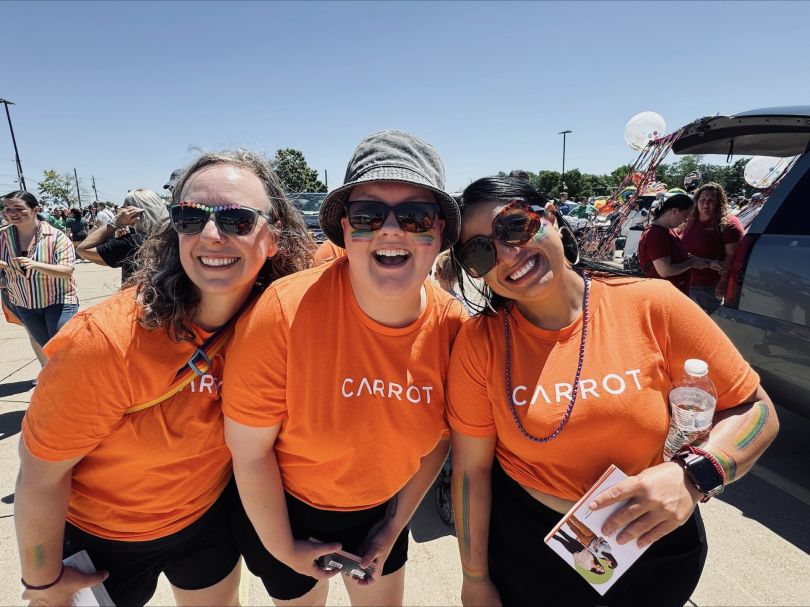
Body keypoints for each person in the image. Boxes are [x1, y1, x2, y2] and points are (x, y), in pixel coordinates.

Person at [446, 176, 779, 606]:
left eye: (514, 226)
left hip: (654, 547)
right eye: (479, 251)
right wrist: (474, 578)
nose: (508, 254)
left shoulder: (653, 305)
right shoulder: (480, 344)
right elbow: (472, 472)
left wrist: (694, 477)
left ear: (550, 217)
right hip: (531, 552)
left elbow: (756, 410)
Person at [14, 150, 315, 606]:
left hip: (204, 524)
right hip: (102, 538)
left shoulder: (275, 324)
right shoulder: (106, 340)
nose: (211, 235)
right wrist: (41, 581)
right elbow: (40, 473)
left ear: (274, 238)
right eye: (190, 218)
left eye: (237, 220)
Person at [222, 130, 466, 606]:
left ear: (439, 234)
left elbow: (440, 440)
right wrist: (283, 548)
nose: (390, 230)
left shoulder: (455, 327)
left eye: (415, 216)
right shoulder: (285, 311)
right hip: (284, 511)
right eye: (368, 215)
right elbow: (250, 454)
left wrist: (393, 528)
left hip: (382, 511)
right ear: (345, 231)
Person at [0, 191, 79, 351]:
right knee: (48, 349)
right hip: (24, 303)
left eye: (18, 208)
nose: (12, 213)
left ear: (36, 210)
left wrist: (34, 264)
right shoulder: (2, 237)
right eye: (8, 209)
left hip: (59, 300)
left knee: (61, 348)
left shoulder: (57, 237)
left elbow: (66, 271)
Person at [77, 188, 170, 284]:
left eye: (125, 208)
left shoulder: (132, 242)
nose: (122, 212)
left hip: (137, 296)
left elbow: (82, 250)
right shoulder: (172, 234)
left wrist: (114, 223)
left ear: (134, 212)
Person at [680, 183, 745, 314]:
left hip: (710, 288)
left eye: (711, 201)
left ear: (719, 203)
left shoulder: (729, 224)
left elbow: (733, 256)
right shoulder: (688, 220)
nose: (706, 204)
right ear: (696, 201)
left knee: (712, 326)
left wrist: (723, 281)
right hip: (685, 284)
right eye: (702, 200)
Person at [637, 192, 719, 295]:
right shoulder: (656, 234)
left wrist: (707, 262)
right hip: (662, 296)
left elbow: (678, 256)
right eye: (686, 215)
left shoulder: (666, 231)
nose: (686, 219)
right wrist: (692, 263)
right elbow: (665, 271)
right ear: (674, 211)